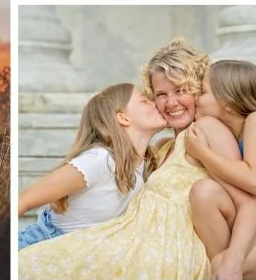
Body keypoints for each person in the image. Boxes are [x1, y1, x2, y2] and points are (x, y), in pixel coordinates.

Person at [19, 39, 249, 280]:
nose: (169, 103)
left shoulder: (204, 132)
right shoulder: (152, 152)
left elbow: (242, 192)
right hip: (85, 237)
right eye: (158, 95)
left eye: (181, 90)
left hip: (162, 248)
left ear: (196, 90)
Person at [183, 60, 256, 280]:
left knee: (220, 264)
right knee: (204, 191)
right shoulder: (231, 133)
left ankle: (234, 268)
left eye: (204, 91)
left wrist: (202, 153)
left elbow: (254, 180)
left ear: (227, 101)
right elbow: (253, 179)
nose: (196, 98)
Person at [16, 83, 167, 249]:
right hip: (38, 245)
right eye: (145, 101)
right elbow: (25, 199)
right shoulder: (100, 161)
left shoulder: (144, 163)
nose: (156, 104)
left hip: (77, 254)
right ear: (123, 118)